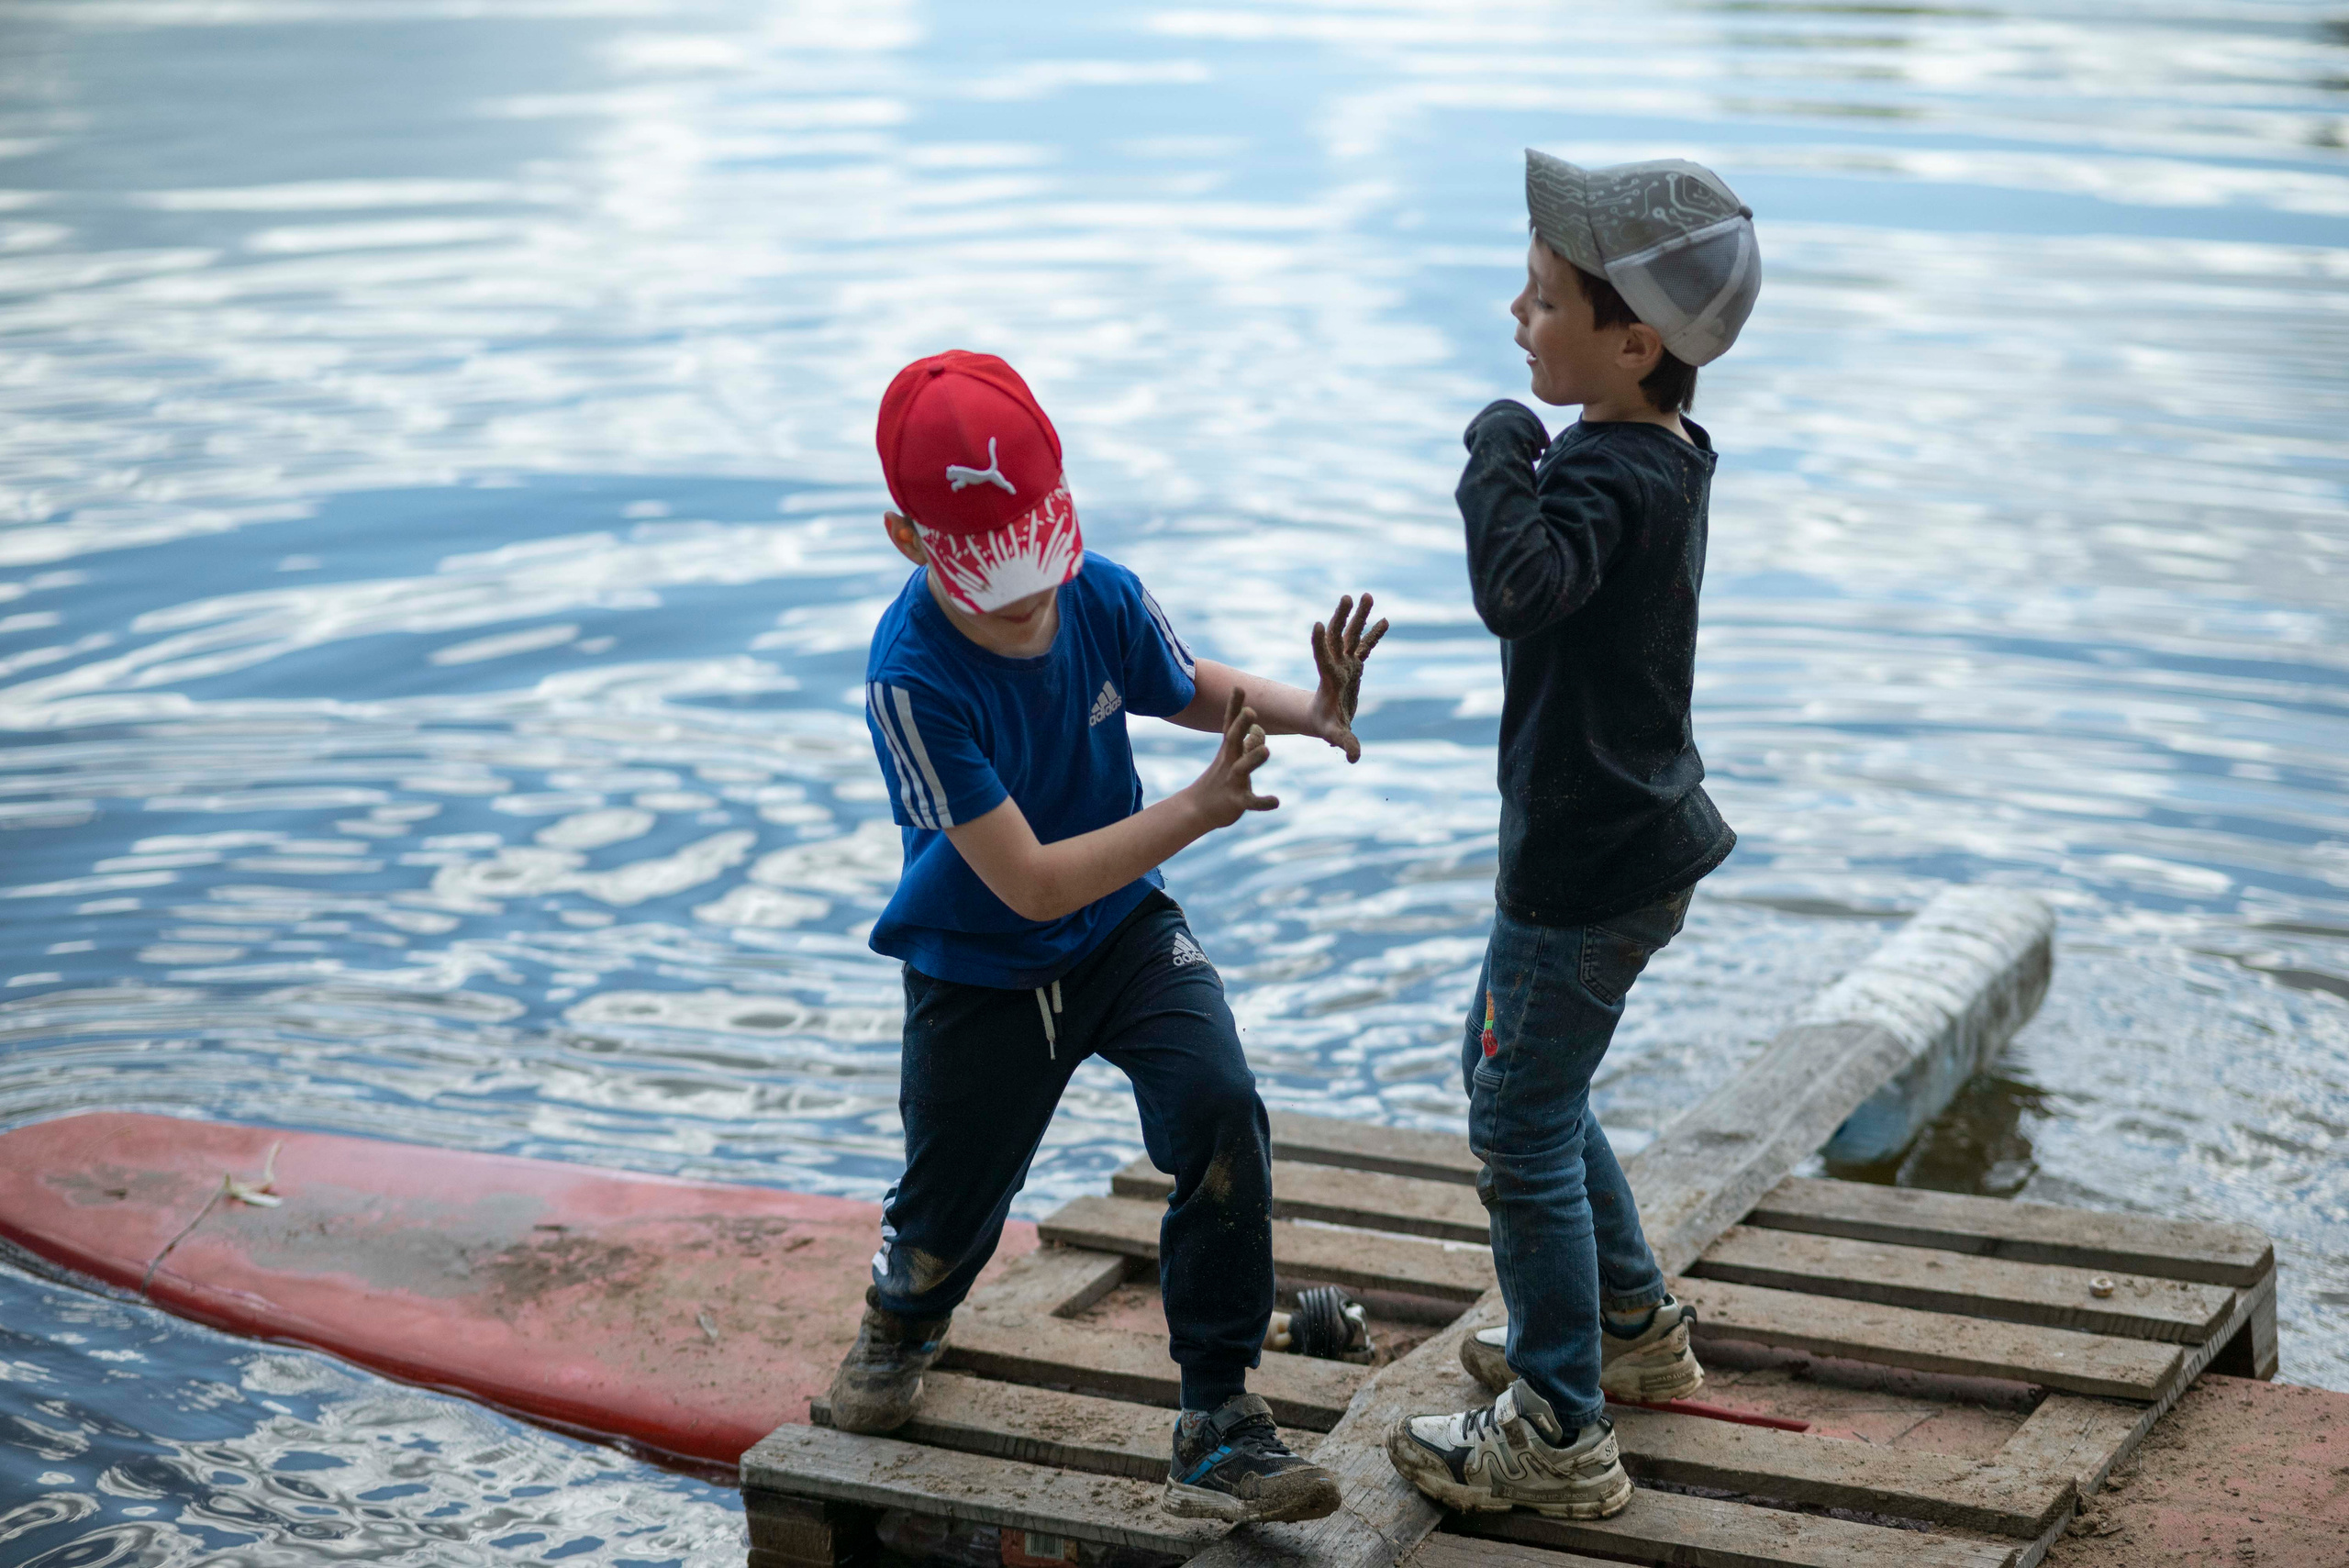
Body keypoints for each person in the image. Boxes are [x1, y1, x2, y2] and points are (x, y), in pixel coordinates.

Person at [829, 350, 1386, 1526]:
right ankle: (904, 1318)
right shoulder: (910, 680)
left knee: (1218, 1102)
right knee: (948, 1213)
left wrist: (1308, 707)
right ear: (907, 537)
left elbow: (1182, 682)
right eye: (997, 583)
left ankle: (1218, 1418)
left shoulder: (1098, 591)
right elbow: (1027, 883)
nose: (1031, 602)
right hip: (979, 966)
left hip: (1124, 928)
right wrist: (1195, 807)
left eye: (1041, 564)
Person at [1386, 150, 1761, 1519]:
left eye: (1543, 301)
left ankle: (1558, 1420)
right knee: (1525, 1093)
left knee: (1519, 1125)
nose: (1516, 317)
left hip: (1585, 870)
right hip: (1614, 848)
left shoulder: (1607, 475)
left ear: (1634, 343)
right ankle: (1629, 1324)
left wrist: (1497, 442)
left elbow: (1520, 587)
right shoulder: (1655, 452)